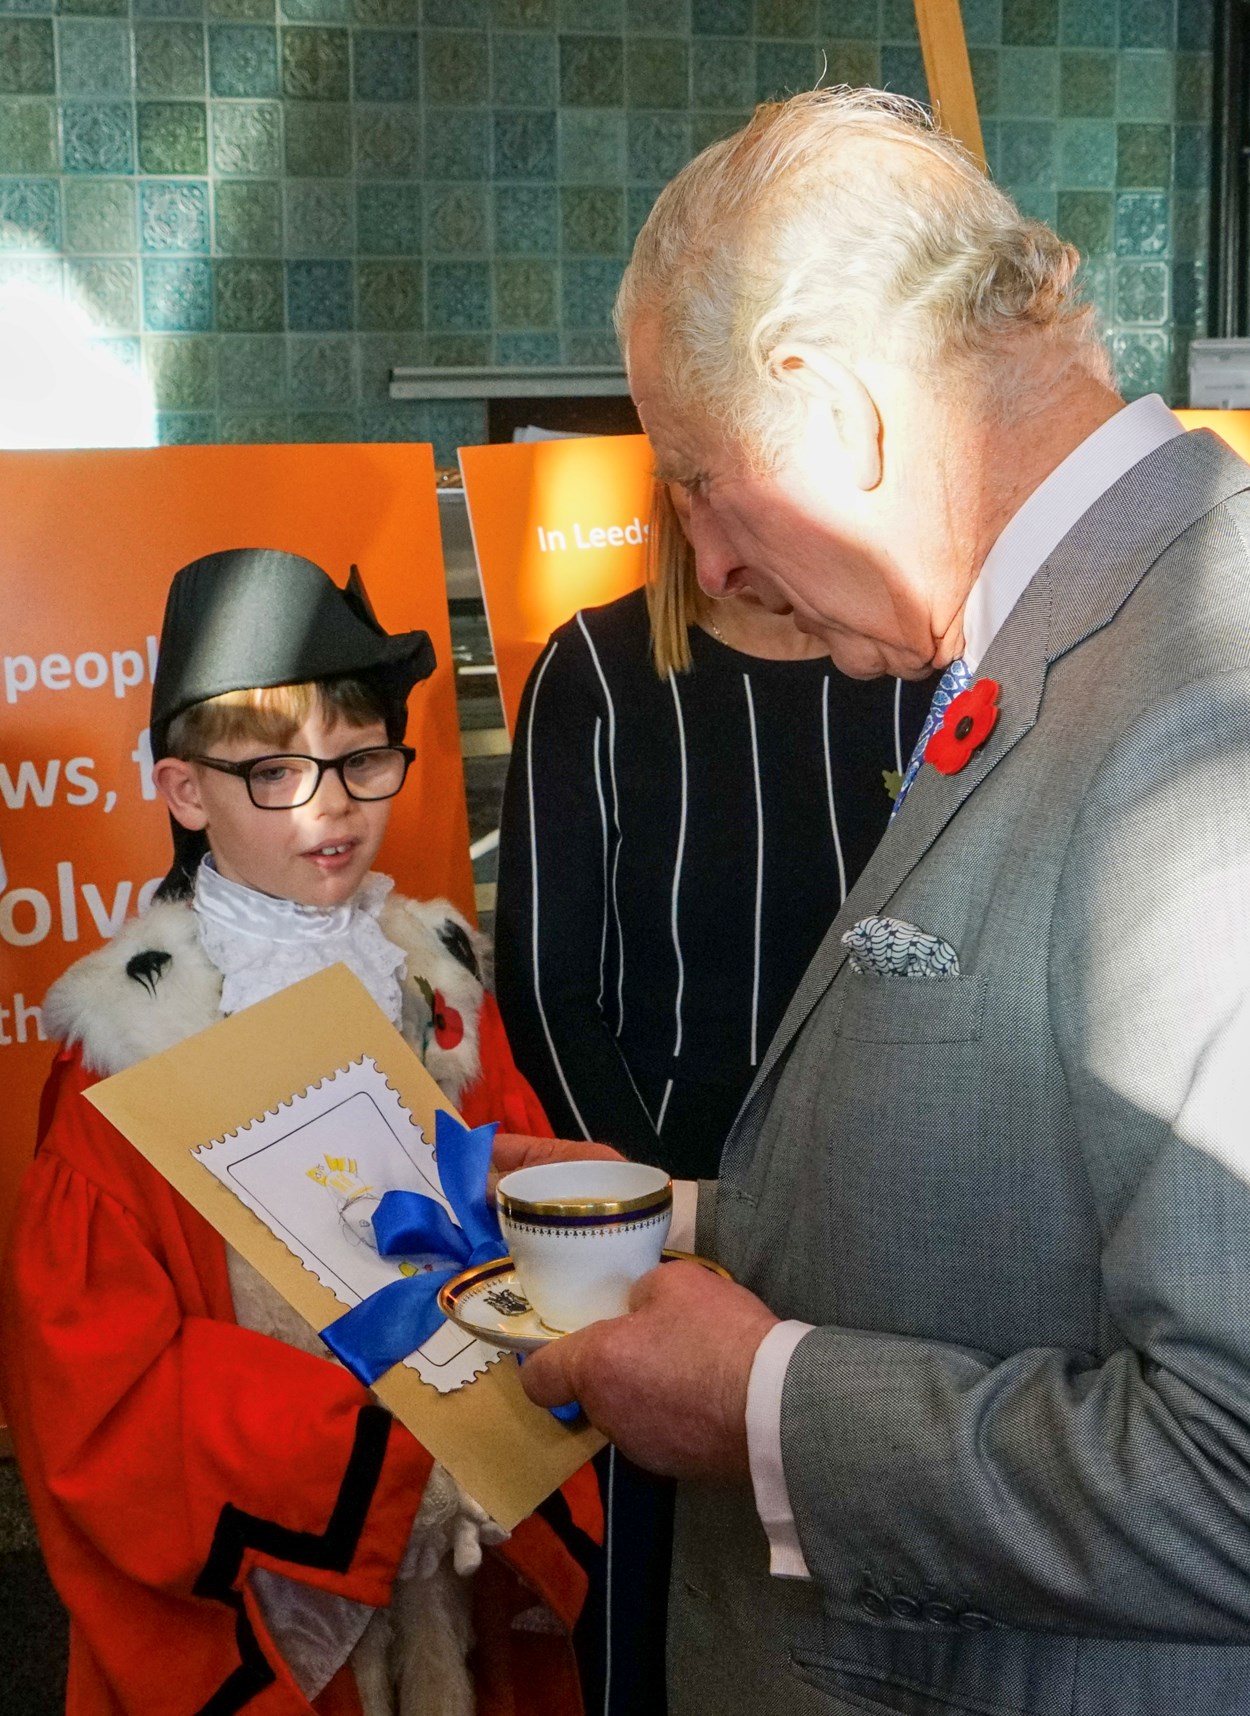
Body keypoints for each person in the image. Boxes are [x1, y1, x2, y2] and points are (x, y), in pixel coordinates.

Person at [495, 87, 1250, 1716]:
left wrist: (762, 1406)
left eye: (695, 475)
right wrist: (684, 1223)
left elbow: (1228, 1476)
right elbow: (1047, 1194)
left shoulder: (1201, 708)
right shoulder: (1067, 645)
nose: (707, 548)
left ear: (827, 412)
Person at [0, 548, 597, 1716]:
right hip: (288, 1571)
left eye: (360, 758)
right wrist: (376, 1460)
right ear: (184, 792)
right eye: (273, 771)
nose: (328, 805)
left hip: (464, 1564)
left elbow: (521, 1210)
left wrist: (511, 1406)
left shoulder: (439, 990)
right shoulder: (127, 1050)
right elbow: (98, 1389)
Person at [493, 482, 934, 1714]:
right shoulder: (600, 668)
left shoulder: (919, 670)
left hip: (885, 1194)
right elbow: (547, 984)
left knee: (861, 1580)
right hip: (659, 1201)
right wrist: (652, 1214)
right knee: (658, 1581)